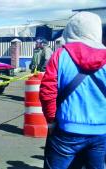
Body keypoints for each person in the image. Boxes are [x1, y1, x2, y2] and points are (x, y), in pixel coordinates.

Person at [40, 12, 106, 169]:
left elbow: (47, 92)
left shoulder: (60, 55)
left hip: (66, 129)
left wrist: (51, 120)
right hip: (101, 131)